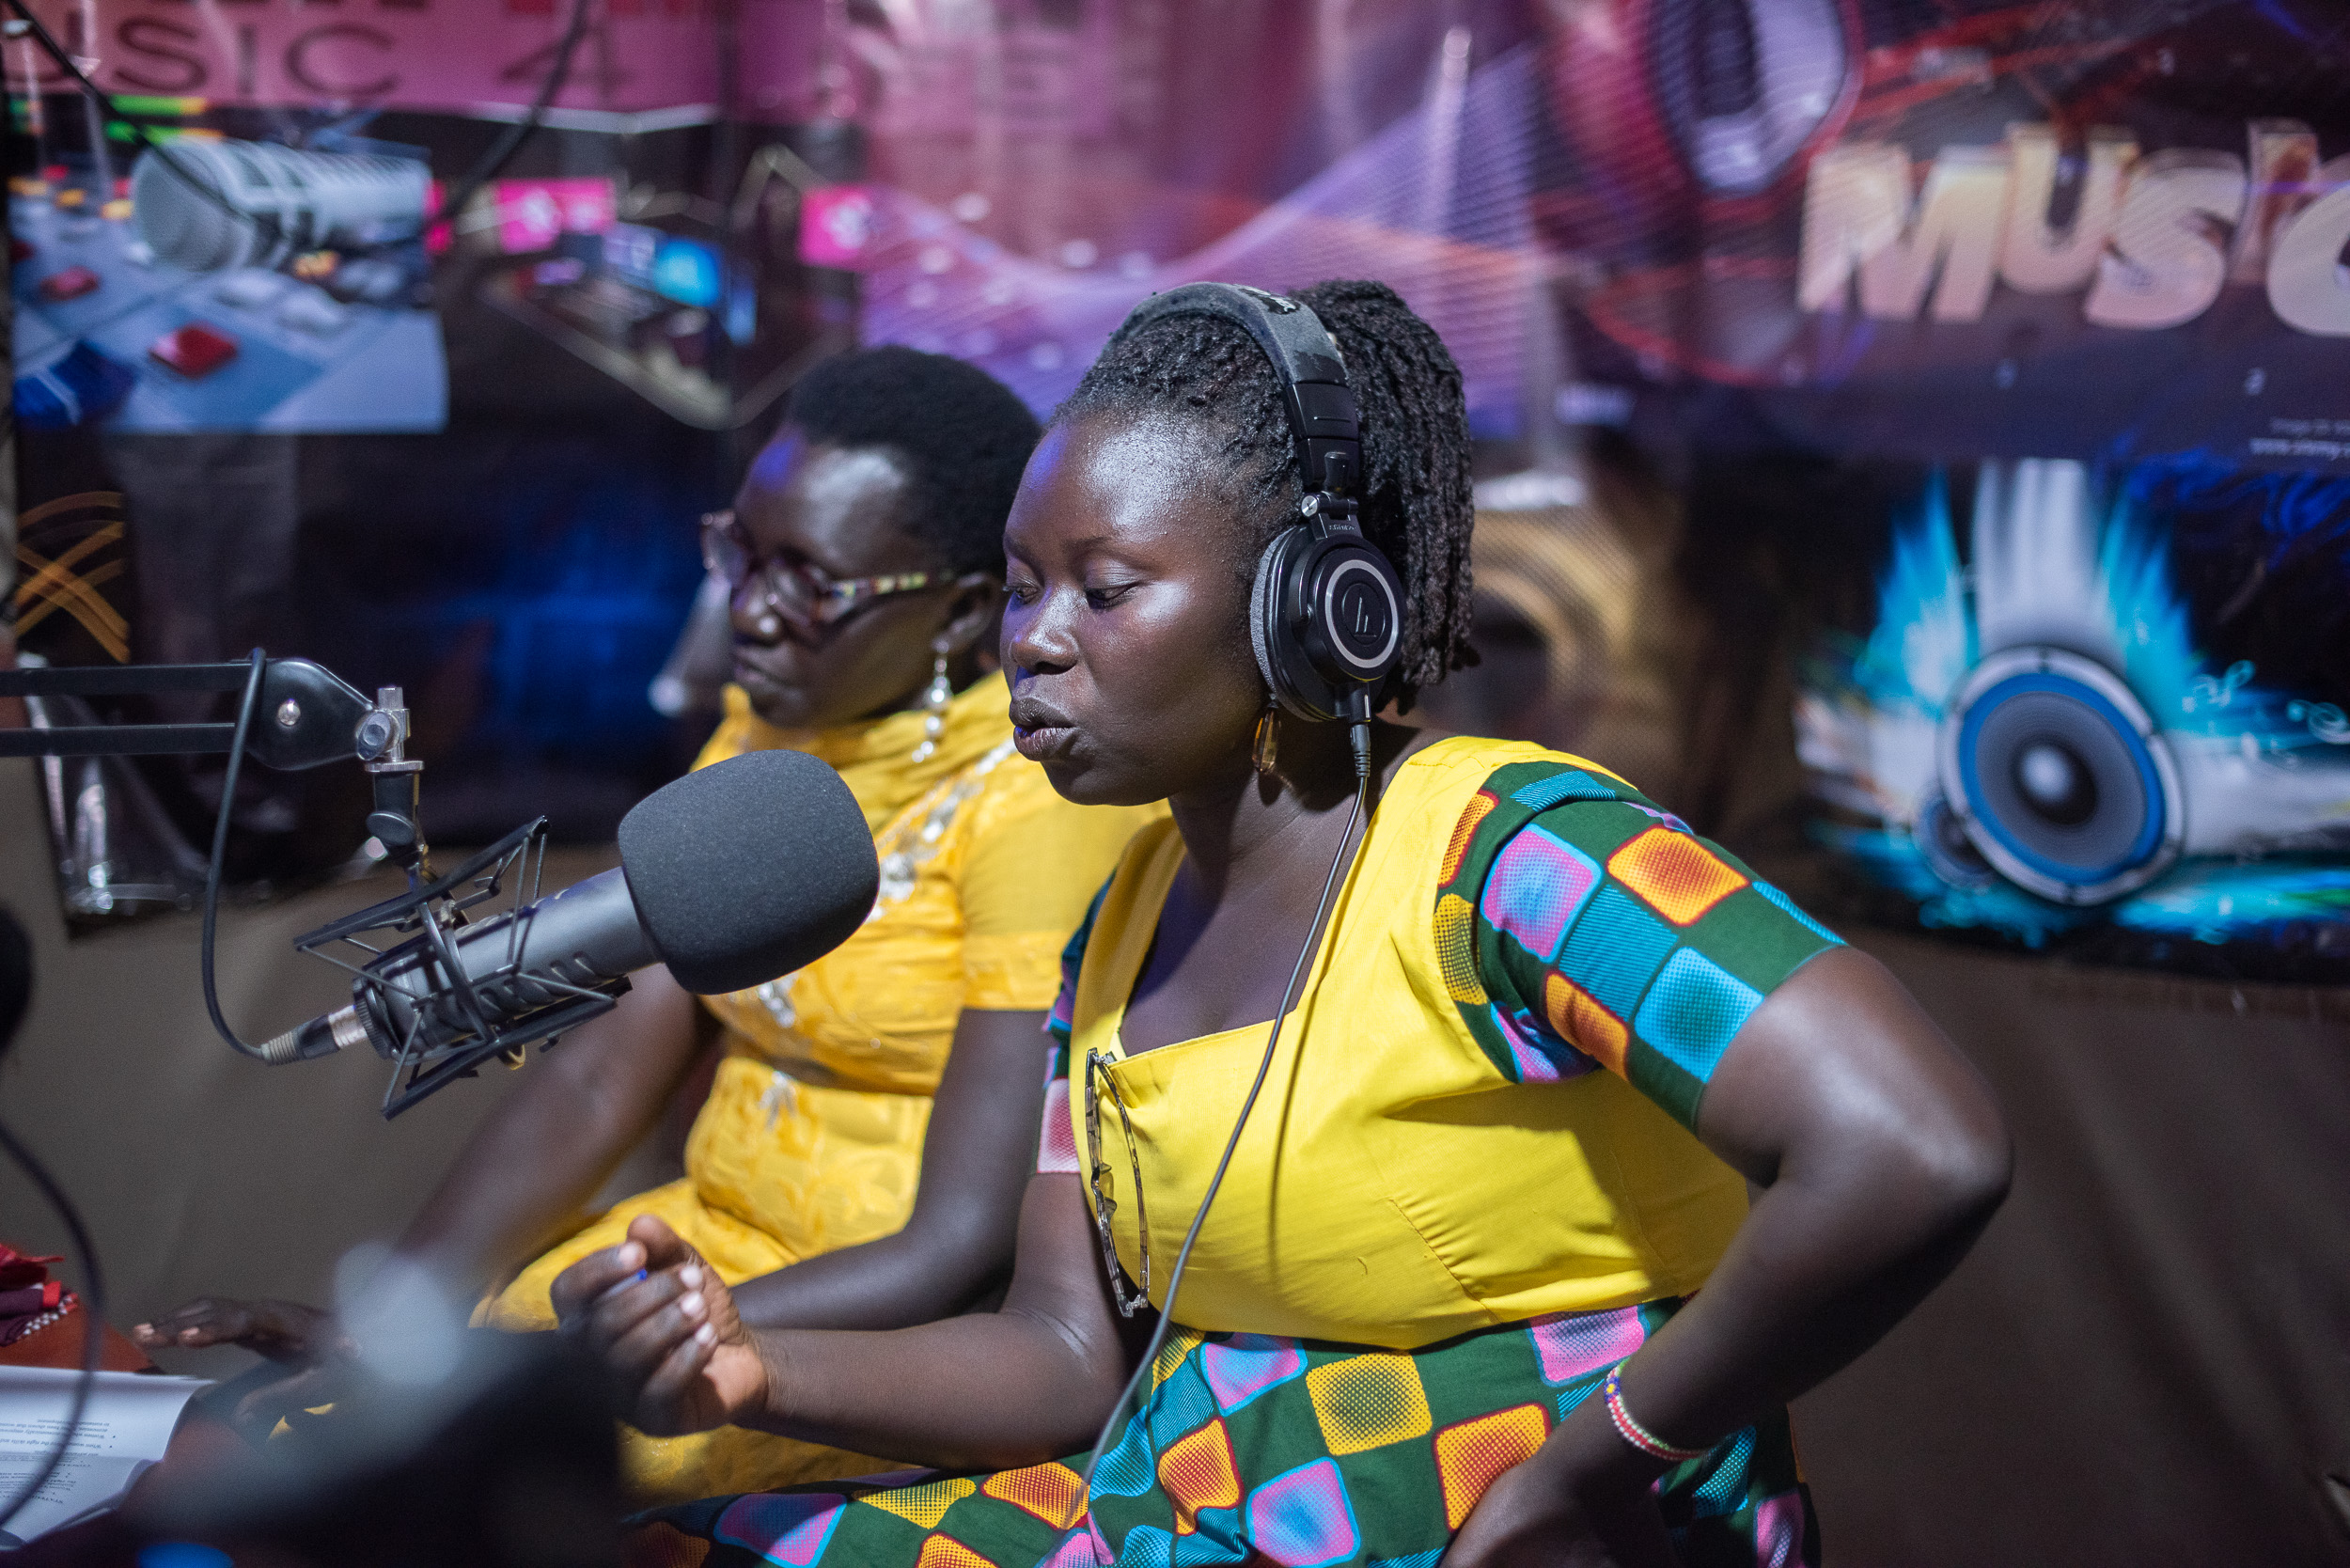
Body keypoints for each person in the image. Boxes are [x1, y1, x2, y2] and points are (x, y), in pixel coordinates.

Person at [552, 281, 2013, 1567]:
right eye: (1016, 588)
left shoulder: (1515, 853)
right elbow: (1063, 1356)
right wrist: (753, 1367)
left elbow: (1913, 1147)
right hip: (1175, 1510)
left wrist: (1597, 1463)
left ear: (1311, 610)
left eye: (1105, 589)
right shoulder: (1112, 929)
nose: (1033, 640)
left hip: (1528, 1529)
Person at [131, 347, 1165, 1505]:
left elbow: (959, 1238)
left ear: (963, 610)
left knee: (431, 1481)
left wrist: (578, 1358)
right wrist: (401, 1324)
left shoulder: (1030, 805)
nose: (750, 613)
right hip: (682, 1257)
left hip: (851, 1328)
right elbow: (595, 1082)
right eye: (741, 555)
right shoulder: (761, 737)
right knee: (298, 1433)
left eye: (810, 583)